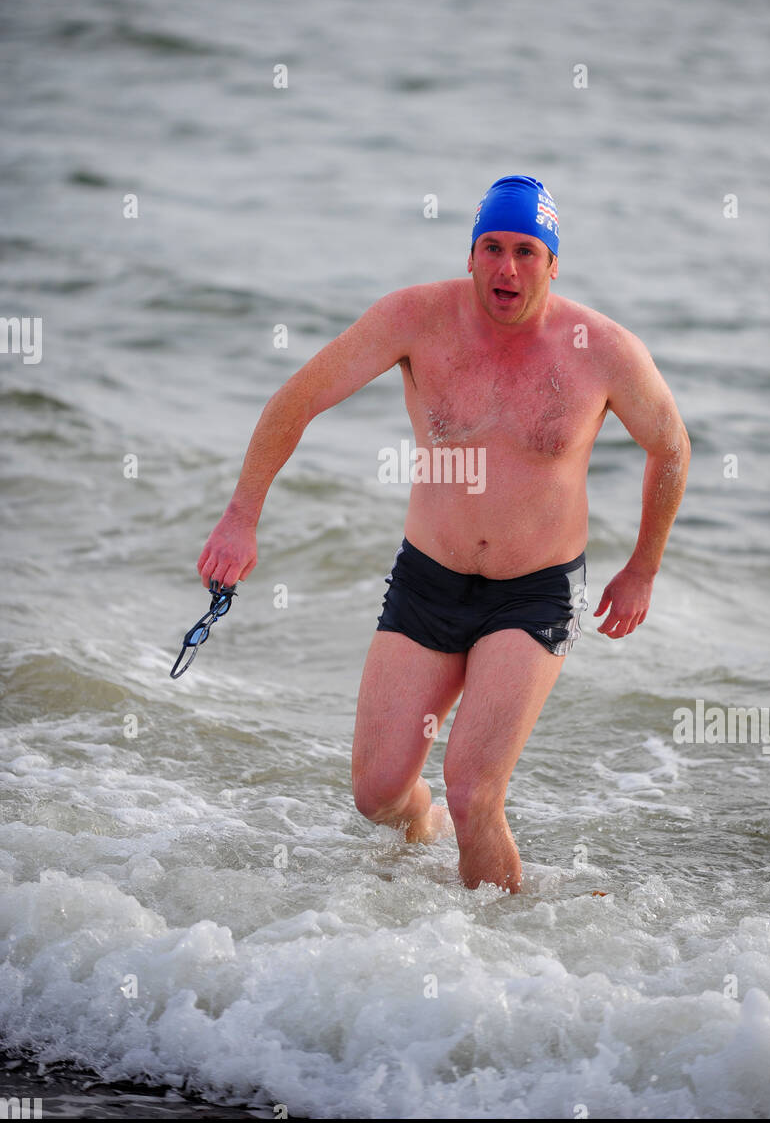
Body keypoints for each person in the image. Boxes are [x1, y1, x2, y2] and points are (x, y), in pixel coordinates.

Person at [197, 175, 690, 893]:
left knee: (472, 790)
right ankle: (418, 844)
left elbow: (671, 447)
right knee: (377, 795)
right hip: (429, 579)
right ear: (469, 255)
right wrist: (241, 516)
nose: (506, 268)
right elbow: (295, 401)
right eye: (491, 247)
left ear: (554, 264)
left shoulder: (603, 351)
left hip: (535, 593)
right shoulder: (414, 319)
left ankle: (500, 959)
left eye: (527, 251)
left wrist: (642, 568)